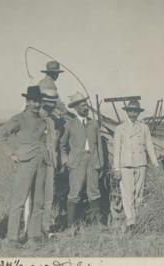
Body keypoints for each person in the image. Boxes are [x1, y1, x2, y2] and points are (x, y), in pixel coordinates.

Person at [0, 86, 48, 246]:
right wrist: (11, 153)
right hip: (25, 162)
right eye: (33, 101)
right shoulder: (19, 118)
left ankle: (34, 235)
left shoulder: (43, 120)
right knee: (19, 201)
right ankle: (13, 238)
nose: (37, 105)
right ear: (27, 101)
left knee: (38, 201)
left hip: (42, 162)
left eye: (39, 101)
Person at [60, 92, 104, 231]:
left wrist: (100, 163)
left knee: (94, 192)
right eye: (82, 106)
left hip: (92, 162)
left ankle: (96, 223)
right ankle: (71, 225)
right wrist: (66, 160)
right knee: (74, 193)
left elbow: (99, 146)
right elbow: (62, 145)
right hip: (76, 163)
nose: (86, 108)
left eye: (86, 105)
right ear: (75, 108)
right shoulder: (70, 124)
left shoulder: (94, 124)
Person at [113, 100, 159, 230]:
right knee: (128, 194)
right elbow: (116, 150)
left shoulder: (144, 128)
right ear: (127, 112)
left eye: (135, 111)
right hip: (125, 165)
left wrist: (156, 165)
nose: (133, 113)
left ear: (138, 113)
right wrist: (116, 168)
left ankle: (138, 219)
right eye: (130, 111)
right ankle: (131, 222)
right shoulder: (120, 129)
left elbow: (150, 147)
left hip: (140, 164)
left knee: (139, 194)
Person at [39, 89, 63, 236]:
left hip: (50, 164)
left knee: (48, 197)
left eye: (53, 103)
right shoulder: (36, 118)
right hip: (36, 162)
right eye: (48, 103)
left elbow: (54, 144)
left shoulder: (53, 120)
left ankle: (45, 228)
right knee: (34, 197)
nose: (51, 106)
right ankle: (32, 229)